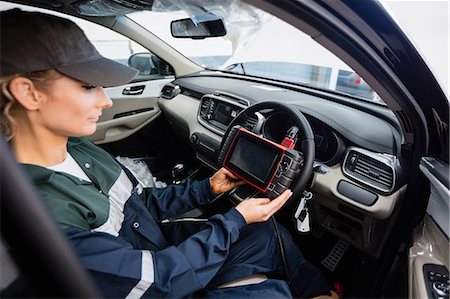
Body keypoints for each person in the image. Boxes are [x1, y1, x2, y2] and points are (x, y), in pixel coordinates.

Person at [0, 9, 334, 298]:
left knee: (263, 232)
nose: (106, 101)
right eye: (88, 86)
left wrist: (207, 188)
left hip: (155, 250)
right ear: (28, 93)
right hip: (153, 283)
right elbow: (157, 281)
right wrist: (235, 218)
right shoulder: (40, 215)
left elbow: (140, 202)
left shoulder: (78, 147)